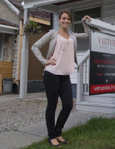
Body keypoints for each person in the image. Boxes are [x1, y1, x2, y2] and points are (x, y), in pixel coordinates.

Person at [31, 11, 91, 147]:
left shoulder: (72, 35)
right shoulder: (52, 33)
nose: (66, 21)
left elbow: (87, 34)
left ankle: (58, 132)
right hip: (51, 74)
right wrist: (44, 61)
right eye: (64, 18)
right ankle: (51, 135)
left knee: (68, 105)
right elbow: (35, 46)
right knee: (52, 106)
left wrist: (84, 23)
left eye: (68, 19)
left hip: (65, 76)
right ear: (59, 20)